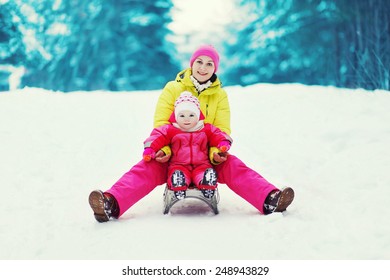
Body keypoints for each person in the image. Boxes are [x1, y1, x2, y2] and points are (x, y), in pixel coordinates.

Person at [88, 44, 294, 223]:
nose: (203, 68)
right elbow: (161, 124)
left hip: (206, 158)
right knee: (145, 168)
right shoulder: (172, 88)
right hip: (174, 157)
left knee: (234, 166)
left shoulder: (219, 95)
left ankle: (270, 200)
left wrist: (216, 151)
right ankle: (110, 204)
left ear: (215, 68)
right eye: (199, 62)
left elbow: (221, 128)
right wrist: (165, 150)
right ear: (191, 63)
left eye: (209, 64)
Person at [142, 91, 232, 200]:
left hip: (202, 164)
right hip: (179, 165)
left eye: (191, 115)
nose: (186, 119)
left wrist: (223, 143)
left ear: (198, 116)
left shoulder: (205, 128)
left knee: (203, 173)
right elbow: (157, 136)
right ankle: (179, 185)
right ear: (175, 116)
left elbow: (218, 134)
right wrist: (150, 149)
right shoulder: (171, 130)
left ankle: (207, 183)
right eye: (182, 115)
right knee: (177, 174)